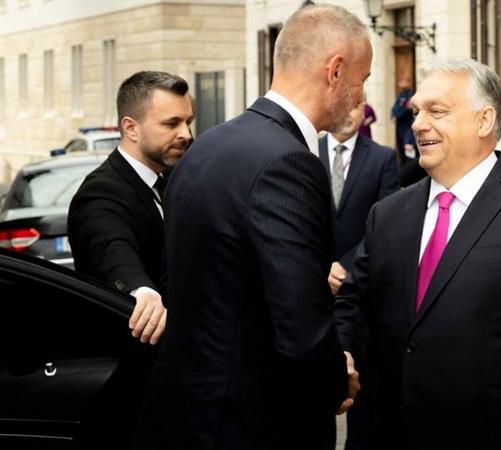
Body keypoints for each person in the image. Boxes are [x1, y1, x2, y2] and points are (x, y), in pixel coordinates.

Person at [135, 5, 370, 449]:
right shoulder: (288, 161)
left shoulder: (208, 145)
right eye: (363, 78)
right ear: (336, 71)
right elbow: (301, 325)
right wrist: (336, 381)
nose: (362, 94)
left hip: (188, 414)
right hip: (252, 425)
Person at [336, 59, 501, 450]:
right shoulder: (387, 214)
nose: (419, 124)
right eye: (417, 111)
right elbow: (354, 305)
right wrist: (341, 353)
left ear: (484, 120)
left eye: (437, 111)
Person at [69, 70, 194, 346]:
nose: (185, 134)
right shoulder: (100, 193)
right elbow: (110, 248)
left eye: (188, 122)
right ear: (131, 128)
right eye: (172, 123)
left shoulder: (176, 178)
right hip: (132, 353)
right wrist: (141, 291)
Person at [323, 99, 400, 293]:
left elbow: (386, 224)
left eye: (354, 105)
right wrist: (323, 265)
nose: (347, 113)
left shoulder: (383, 159)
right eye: (341, 104)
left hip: (362, 282)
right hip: (312, 279)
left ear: (364, 109)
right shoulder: (307, 151)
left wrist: (346, 265)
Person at [391, 75, 414, 158]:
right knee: (400, 149)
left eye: (402, 81)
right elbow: (394, 107)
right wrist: (393, 115)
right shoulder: (400, 94)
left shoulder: (411, 95)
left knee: (407, 152)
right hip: (399, 126)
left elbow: (407, 109)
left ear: (408, 82)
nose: (400, 83)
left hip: (407, 126)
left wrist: (397, 116)